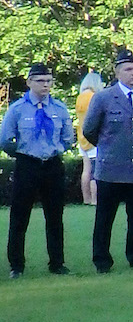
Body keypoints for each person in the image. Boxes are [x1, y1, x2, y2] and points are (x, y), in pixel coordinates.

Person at [83, 48, 133, 273]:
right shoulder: (104, 98)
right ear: (117, 72)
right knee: (105, 218)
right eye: (128, 69)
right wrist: (109, 148)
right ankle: (102, 260)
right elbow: (89, 130)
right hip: (111, 170)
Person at [2, 63, 77, 277]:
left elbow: (68, 138)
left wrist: (56, 151)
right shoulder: (17, 109)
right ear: (29, 83)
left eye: (48, 81)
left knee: (55, 216)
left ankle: (57, 263)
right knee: (19, 216)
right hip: (27, 164)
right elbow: (6, 139)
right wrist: (21, 154)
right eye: (40, 81)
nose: (45, 85)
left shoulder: (59, 108)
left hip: (52, 165)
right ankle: (16, 265)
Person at [75, 69, 104, 205]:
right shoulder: (93, 97)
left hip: (82, 138)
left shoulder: (80, 97)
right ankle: (95, 199)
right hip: (93, 139)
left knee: (86, 170)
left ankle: (85, 199)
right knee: (95, 171)